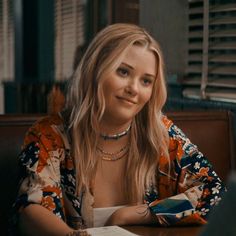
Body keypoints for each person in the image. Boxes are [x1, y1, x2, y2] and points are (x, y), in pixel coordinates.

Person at [11, 23, 225, 235]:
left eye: (146, 81)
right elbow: (31, 207)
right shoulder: (50, 134)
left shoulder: (161, 133)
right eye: (123, 72)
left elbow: (213, 193)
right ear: (95, 69)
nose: (134, 89)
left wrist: (138, 213)